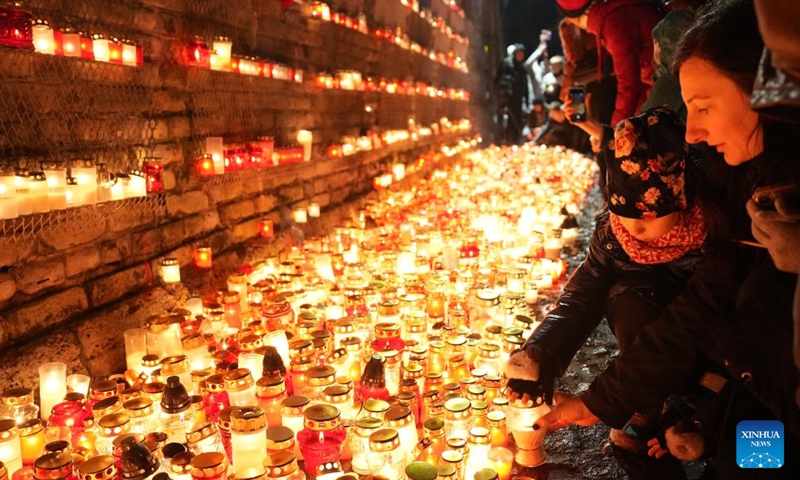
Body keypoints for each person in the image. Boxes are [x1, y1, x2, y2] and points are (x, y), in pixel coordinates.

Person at [526, 1, 800, 477]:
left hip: (766, 406)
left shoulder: (745, 204)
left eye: (703, 106)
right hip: (751, 401)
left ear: (764, 88)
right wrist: (601, 401)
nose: (693, 130)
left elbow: (724, 321)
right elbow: (705, 306)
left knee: (749, 461)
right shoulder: (748, 194)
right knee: (744, 457)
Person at [556, 0, 663, 125]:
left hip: (669, 86)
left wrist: (615, 134)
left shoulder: (614, 22)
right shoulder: (609, 16)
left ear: (572, 18)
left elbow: (629, 84)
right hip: (656, 85)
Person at [639, 8, 695, 117]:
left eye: (655, 42)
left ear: (661, 46)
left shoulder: (669, 83)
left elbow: (643, 127)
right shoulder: (701, 69)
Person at [496, 43, 531, 145]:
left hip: (518, 98)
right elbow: (498, 80)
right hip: (506, 98)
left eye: (522, 54)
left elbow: (525, 85)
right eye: (518, 54)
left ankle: (515, 140)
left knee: (518, 119)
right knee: (506, 119)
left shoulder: (523, 68)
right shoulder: (506, 64)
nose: (520, 56)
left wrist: (527, 99)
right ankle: (505, 140)